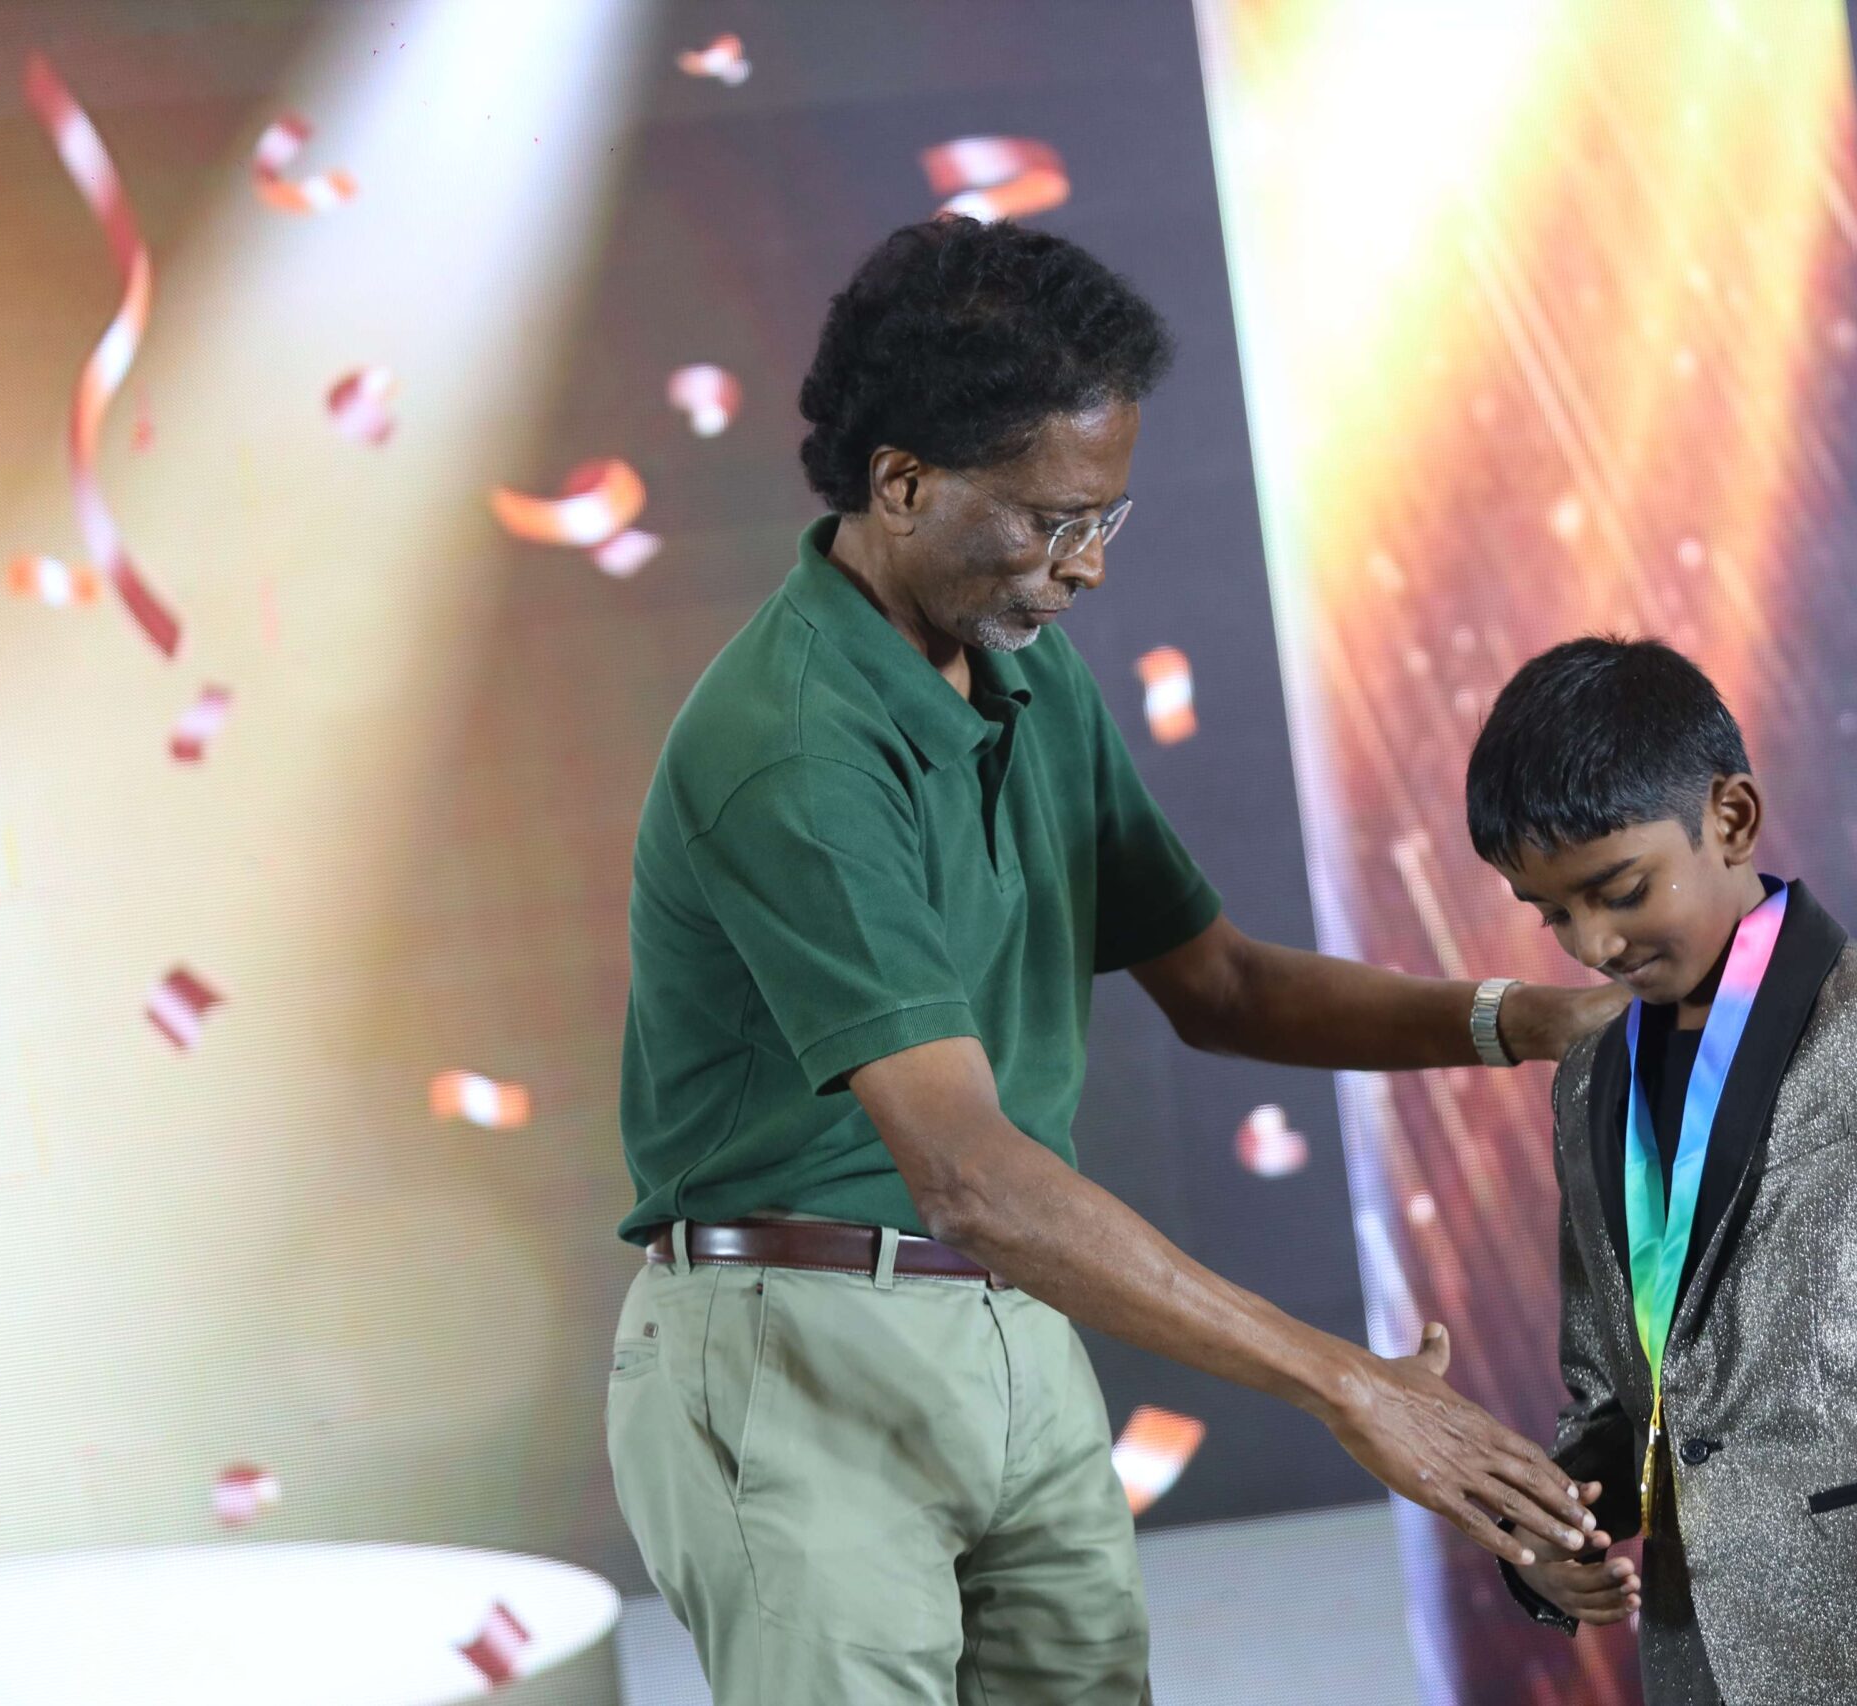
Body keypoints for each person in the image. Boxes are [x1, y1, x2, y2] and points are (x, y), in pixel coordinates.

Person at [603, 217, 1625, 1704]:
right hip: (794, 1351)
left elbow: (1221, 987)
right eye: (1049, 520)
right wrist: (1344, 1381)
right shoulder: (792, 745)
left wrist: (1536, 1017)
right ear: (902, 483)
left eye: (1107, 519)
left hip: (1013, 1315)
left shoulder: (1029, 670)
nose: (1084, 567)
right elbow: (970, 1174)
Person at [1463, 636, 1857, 1706]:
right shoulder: (1586, 1085)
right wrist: (1545, 1540)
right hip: (1702, 1673)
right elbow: (1618, 1403)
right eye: (1553, 912)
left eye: (1620, 889)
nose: (1593, 943)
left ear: (1733, 816)